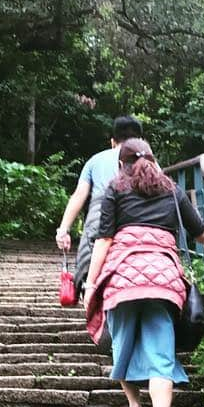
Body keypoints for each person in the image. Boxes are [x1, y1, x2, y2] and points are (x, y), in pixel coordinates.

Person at [83, 139, 204, 407]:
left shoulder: (115, 189)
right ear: (153, 160)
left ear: (121, 164)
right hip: (163, 281)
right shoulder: (171, 189)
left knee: (123, 345)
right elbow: (199, 231)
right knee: (161, 356)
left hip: (124, 280)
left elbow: (104, 241)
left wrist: (91, 285)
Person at [55, 115, 143, 294]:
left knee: (89, 267)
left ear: (112, 141)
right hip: (136, 219)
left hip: (99, 219)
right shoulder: (148, 163)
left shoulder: (95, 161)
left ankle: (89, 290)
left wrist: (63, 230)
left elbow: (79, 195)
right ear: (141, 141)